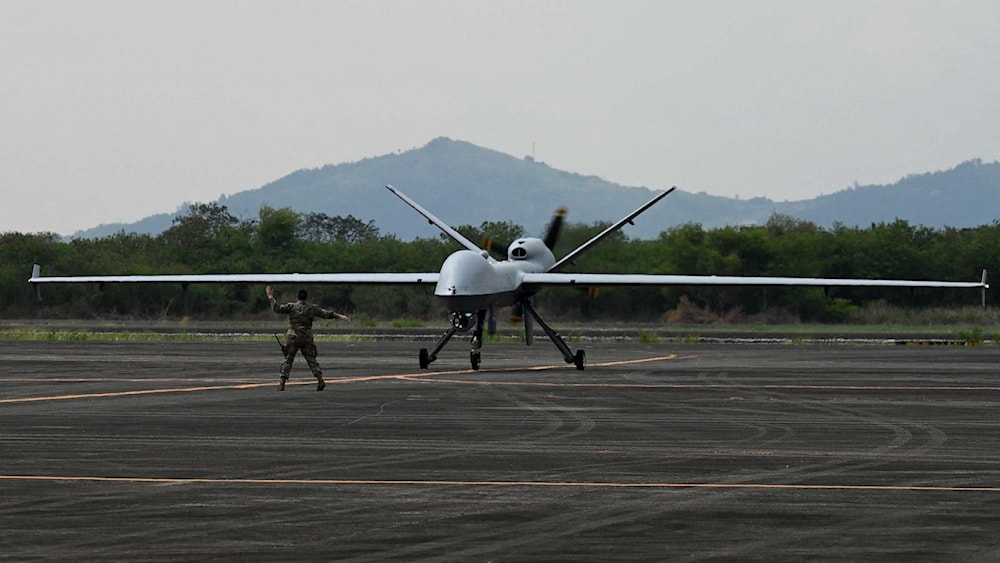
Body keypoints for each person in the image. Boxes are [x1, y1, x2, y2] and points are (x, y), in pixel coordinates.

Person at [266, 285, 350, 391]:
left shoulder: (291, 307)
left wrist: (270, 296)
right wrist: (340, 316)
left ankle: (282, 383)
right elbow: (326, 314)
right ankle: (320, 380)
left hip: (293, 336)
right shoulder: (311, 308)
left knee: (288, 359)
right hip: (306, 337)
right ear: (306, 297)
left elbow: (277, 308)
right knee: (311, 360)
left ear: (297, 297)